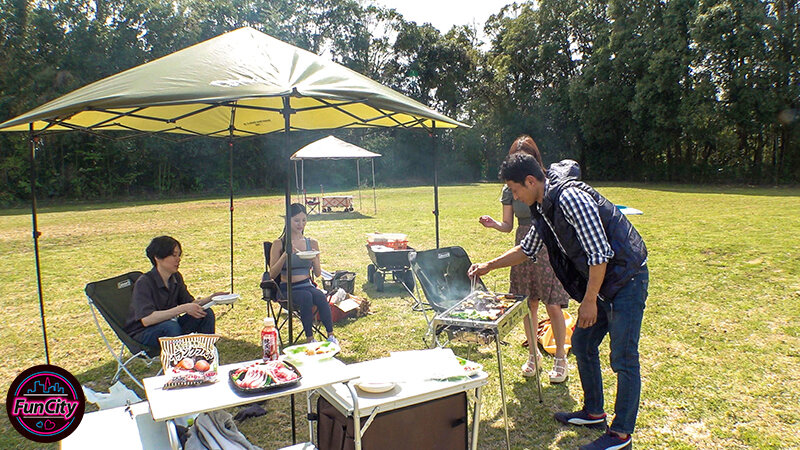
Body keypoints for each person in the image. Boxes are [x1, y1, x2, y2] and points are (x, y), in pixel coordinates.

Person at [468, 152, 648, 450]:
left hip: (626, 278)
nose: (515, 198)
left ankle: (621, 436)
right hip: (604, 282)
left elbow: (599, 253)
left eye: (514, 190)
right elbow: (527, 249)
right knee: (583, 344)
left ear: (530, 181)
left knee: (624, 357)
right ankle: (594, 413)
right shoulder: (542, 207)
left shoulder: (569, 199)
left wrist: (589, 300)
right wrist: (489, 265)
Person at [478, 135, 571, 383]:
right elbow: (508, 225)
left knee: (552, 302)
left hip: (548, 241)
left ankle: (560, 358)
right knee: (527, 302)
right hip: (523, 242)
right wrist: (494, 224)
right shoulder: (511, 188)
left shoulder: (548, 185)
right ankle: (533, 355)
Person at [124, 236, 226, 349]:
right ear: (157, 257)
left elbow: (190, 303)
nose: (178, 259)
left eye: (179, 255)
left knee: (205, 313)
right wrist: (182, 308)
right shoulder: (144, 283)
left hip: (170, 326)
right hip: (144, 333)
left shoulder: (175, 277)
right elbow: (147, 319)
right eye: (173, 255)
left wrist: (212, 298)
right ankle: (180, 358)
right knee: (170, 326)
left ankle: (207, 353)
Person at [269, 203, 337, 344]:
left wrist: (315, 259)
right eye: (296, 220)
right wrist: (285, 255)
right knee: (306, 297)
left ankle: (331, 336)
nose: (301, 224)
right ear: (288, 220)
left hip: (307, 284)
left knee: (320, 296)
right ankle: (310, 339)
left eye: (304, 220)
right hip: (287, 289)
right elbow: (272, 275)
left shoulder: (312, 243)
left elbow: (317, 273)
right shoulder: (279, 244)